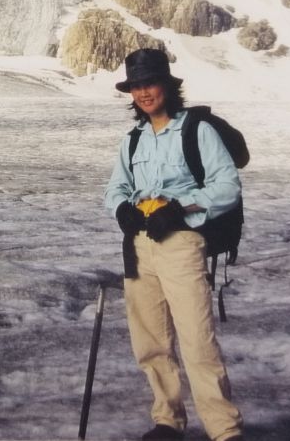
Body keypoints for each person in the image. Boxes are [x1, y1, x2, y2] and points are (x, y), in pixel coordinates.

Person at [104, 48, 244, 441]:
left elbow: (226, 186)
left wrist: (180, 209)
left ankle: (225, 430)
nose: (143, 92)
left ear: (167, 85)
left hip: (181, 242)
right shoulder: (133, 140)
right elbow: (115, 188)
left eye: (150, 83)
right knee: (150, 342)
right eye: (136, 86)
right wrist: (122, 209)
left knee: (197, 341)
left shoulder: (197, 131)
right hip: (139, 246)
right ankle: (167, 421)